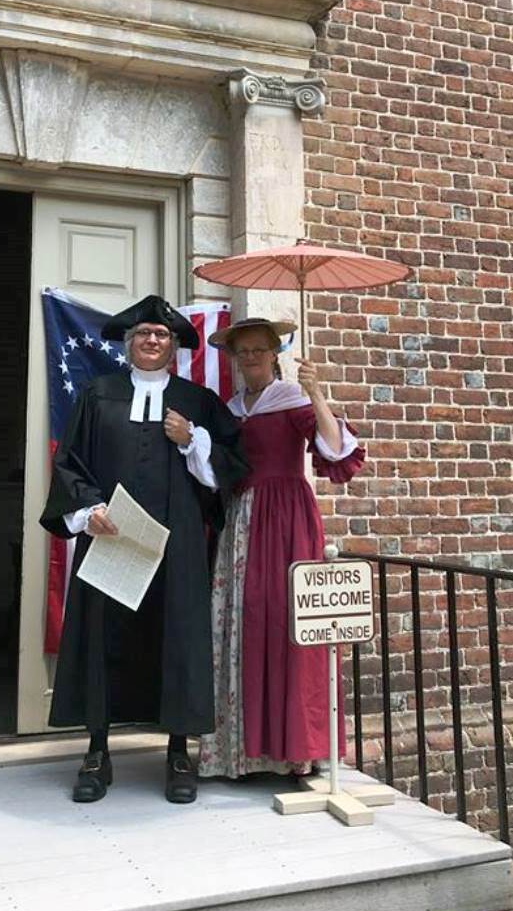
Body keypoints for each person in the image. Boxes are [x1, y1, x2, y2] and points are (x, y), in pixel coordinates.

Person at [40, 295, 248, 804]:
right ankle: (96, 751)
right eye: (142, 335)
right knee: (101, 637)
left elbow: (235, 465)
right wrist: (89, 510)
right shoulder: (97, 394)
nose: (151, 341)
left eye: (160, 335)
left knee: (175, 638)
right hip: (112, 539)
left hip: (176, 550)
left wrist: (191, 438)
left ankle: (178, 751)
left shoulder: (196, 401)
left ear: (174, 345)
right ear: (129, 343)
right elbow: (70, 465)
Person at [198, 317, 365, 780]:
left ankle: (295, 749)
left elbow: (334, 449)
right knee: (243, 619)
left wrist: (316, 392)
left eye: (258, 349)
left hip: (287, 519)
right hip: (239, 522)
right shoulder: (228, 409)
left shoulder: (292, 400)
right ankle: (243, 749)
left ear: (275, 353)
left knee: (288, 621)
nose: (249, 357)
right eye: (241, 351)